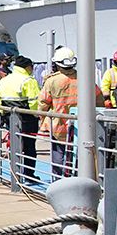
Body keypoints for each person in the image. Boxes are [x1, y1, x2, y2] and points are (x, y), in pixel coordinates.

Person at [38, 46, 88, 178]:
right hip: (82, 125)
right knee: (79, 154)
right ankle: (79, 179)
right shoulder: (85, 78)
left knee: (58, 155)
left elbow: (43, 103)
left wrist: (42, 120)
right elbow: (98, 99)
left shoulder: (52, 81)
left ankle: (58, 181)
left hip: (59, 125)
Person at [0, 54, 42, 181]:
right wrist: (37, 115)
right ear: (27, 67)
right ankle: (28, 175)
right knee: (29, 147)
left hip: (9, 117)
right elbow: (34, 102)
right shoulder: (28, 81)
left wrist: (2, 114)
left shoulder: (4, 80)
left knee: (15, 145)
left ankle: (14, 173)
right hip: (27, 118)